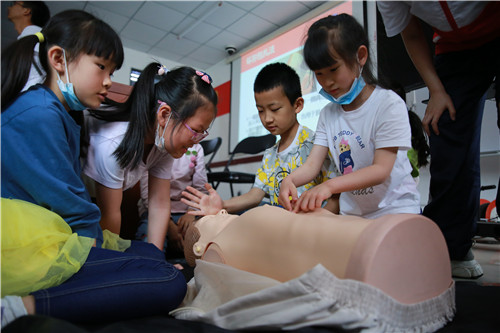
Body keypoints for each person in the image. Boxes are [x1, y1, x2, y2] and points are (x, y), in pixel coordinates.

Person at [1, 10, 186, 327]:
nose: (108, 81)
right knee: (168, 279)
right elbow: (73, 208)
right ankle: (16, 309)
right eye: (101, 67)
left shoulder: (61, 113)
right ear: (59, 59)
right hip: (27, 244)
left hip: (55, 234)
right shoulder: (39, 114)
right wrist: (114, 261)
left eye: (112, 71)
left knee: (155, 258)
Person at [174, 205, 455, 332]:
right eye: (207, 219)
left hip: (378, 239)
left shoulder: (238, 224)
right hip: (371, 258)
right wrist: (191, 273)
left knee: (328, 228)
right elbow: (213, 282)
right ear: (200, 246)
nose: (219, 213)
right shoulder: (215, 250)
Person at [377, 1, 500, 278]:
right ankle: (453, 246)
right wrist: (436, 89)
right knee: (446, 124)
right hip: (454, 48)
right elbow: (410, 34)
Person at [277, 14, 420, 219]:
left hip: (396, 210)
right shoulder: (328, 114)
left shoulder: (388, 104)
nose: (327, 82)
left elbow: (381, 169)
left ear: (360, 56)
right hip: (353, 214)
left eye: (333, 69)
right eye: (319, 74)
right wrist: (289, 181)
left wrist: (329, 186)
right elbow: (311, 166)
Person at [82, 65, 218, 251]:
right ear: (164, 115)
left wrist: (156, 258)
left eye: (202, 134)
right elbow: (110, 215)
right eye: (195, 131)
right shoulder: (113, 142)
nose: (196, 142)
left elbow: (159, 204)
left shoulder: (163, 142)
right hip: (82, 200)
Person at [181, 62, 338, 218]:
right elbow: (255, 196)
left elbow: (336, 198)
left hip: (312, 228)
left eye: (275, 109)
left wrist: (317, 223)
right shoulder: (270, 154)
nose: (267, 118)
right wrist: (223, 205)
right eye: (260, 111)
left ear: (297, 105)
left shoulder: (317, 144)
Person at [135, 143, 209, 252]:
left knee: (206, 240)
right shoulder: (155, 147)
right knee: (148, 244)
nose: (196, 137)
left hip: (187, 212)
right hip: (154, 210)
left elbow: (200, 187)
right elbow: (148, 193)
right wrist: (169, 225)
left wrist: (191, 212)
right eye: (194, 130)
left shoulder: (196, 148)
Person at [6, 1, 50, 91]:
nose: (8, 8)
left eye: (14, 4)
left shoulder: (40, 40)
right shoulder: (24, 40)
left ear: (26, 11)